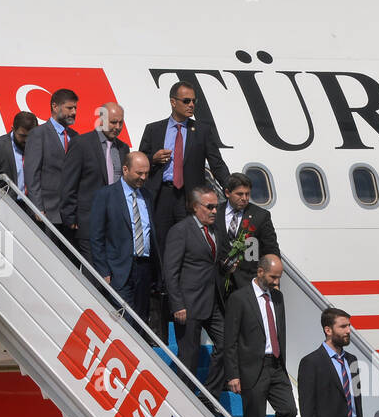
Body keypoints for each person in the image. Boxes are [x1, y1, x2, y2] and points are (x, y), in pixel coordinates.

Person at [139, 81, 230, 244]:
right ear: (173, 102)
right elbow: (140, 162)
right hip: (162, 195)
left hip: (190, 196)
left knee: (190, 241)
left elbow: (216, 163)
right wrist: (154, 159)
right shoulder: (154, 130)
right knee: (161, 241)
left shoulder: (202, 131)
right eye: (186, 101)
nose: (191, 105)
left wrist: (230, 188)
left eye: (194, 101)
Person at [223, 254, 296, 417]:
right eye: (273, 277)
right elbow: (229, 340)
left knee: (289, 411)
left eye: (279, 277)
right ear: (260, 271)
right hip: (253, 368)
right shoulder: (239, 298)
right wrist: (233, 375)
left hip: (277, 366)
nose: (276, 281)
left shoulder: (278, 297)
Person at [162, 186, 227, 395]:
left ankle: (209, 394)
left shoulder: (216, 230)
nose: (215, 211)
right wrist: (177, 304)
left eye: (216, 207)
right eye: (210, 207)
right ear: (195, 207)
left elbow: (212, 263)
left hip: (212, 302)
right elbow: (170, 271)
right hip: (188, 304)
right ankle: (183, 400)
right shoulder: (181, 230)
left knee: (227, 344)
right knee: (189, 357)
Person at [89, 152, 154, 322]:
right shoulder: (106, 195)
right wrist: (103, 270)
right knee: (126, 320)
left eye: (146, 173)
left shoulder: (147, 196)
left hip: (144, 268)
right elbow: (96, 237)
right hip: (118, 269)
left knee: (141, 320)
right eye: (139, 173)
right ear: (125, 169)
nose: (143, 177)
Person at [61, 102, 128, 259]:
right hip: (87, 224)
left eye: (121, 122)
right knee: (92, 275)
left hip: (114, 225)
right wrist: (70, 218)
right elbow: (69, 183)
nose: (117, 127)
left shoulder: (123, 148)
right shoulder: (81, 143)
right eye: (113, 122)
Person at [24, 87, 79, 233]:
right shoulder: (38, 134)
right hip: (47, 213)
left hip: (71, 214)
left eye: (75, 108)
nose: (73, 112)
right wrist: (37, 207)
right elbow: (32, 174)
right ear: (55, 106)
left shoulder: (75, 136)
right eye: (69, 108)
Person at [218, 172, 278, 296]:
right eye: (240, 194)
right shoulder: (215, 213)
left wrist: (274, 281)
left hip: (247, 284)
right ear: (227, 193)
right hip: (218, 284)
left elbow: (271, 249)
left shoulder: (260, 216)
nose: (244, 198)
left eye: (247, 194)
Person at [0, 111, 37, 194]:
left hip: (34, 204)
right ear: (13, 129)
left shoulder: (42, 145)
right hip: (7, 204)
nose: (26, 140)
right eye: (22, 136)